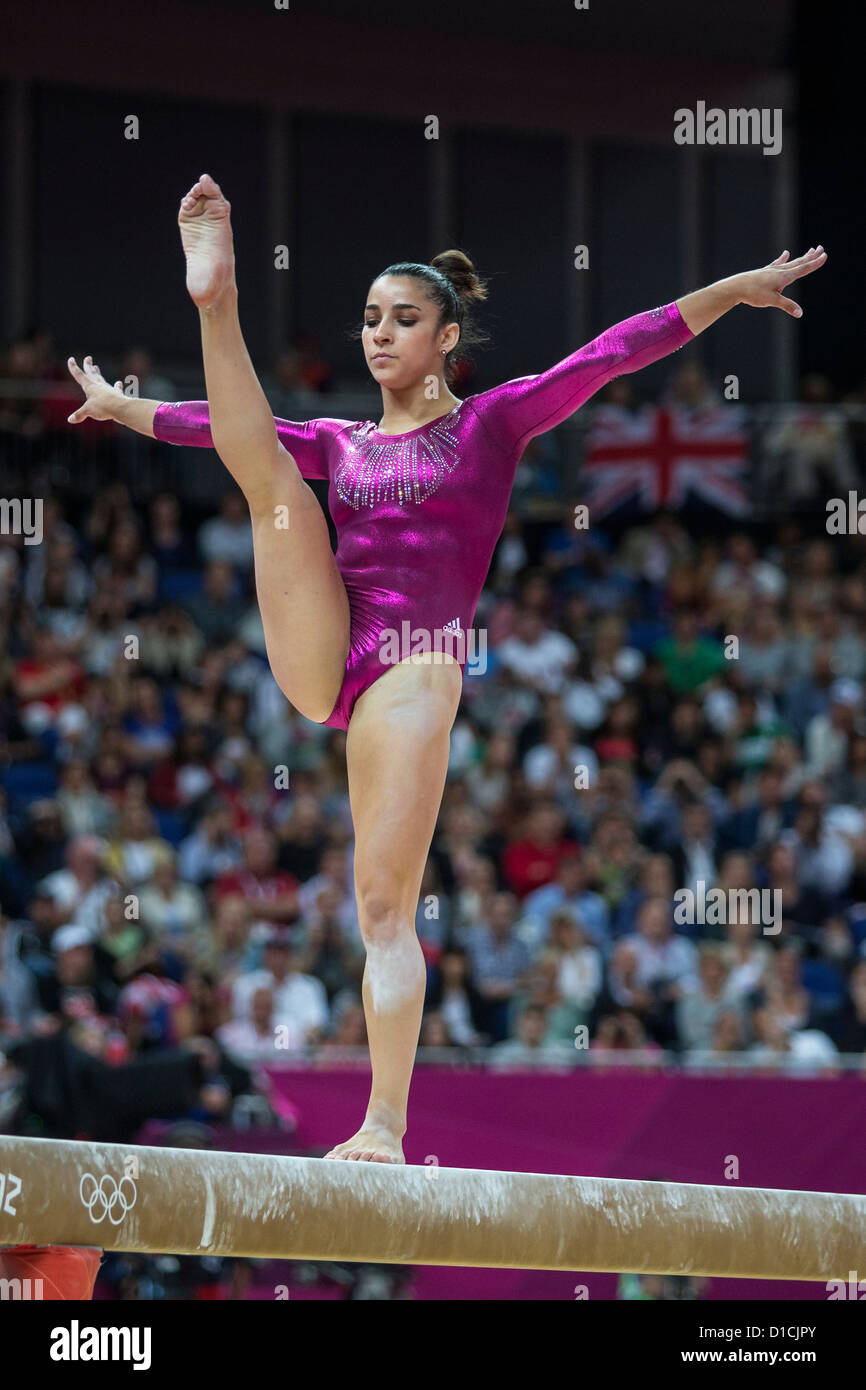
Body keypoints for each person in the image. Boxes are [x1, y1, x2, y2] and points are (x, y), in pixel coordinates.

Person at [66, 171, 827, 1160]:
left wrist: (725, 291)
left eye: (401, 319)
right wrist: (124, 407)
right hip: (327, 647)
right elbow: (218, 427)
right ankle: (218, 299)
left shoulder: (493, 422)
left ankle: (384, 1122)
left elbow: (609, 353)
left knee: (380, 903)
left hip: (415, 666)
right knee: (268, 488)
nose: (378, 335)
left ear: (445, 338)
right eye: (370, 319)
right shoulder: (336, 441)